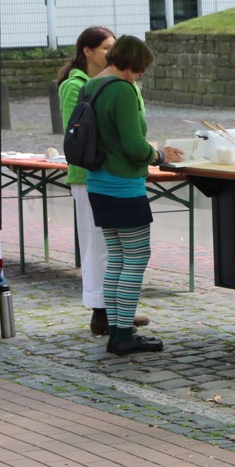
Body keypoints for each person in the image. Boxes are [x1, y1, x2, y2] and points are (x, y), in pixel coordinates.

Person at [85, 36, 184, 354]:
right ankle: (124, 334)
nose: (140, 75)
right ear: (132, 63)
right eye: (141, 69)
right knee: (136, 258)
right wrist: (159, 155)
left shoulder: (92, 86)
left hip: (98, 183)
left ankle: (117, 332)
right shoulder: (122, 90)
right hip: (124, 186)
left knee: (117, 259)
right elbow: (133, 146)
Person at [56, 26, 148, 337]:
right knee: (108, 251)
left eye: (113, 47)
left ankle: (117, 314)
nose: (110, 53)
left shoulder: (110, 85)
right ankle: (107, 316)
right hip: (101, 175)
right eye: (105, 47)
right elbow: (88, 134)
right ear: (88, 51)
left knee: (114, 253)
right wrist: (153, 154)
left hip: (109, 176)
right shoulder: (86, 87)